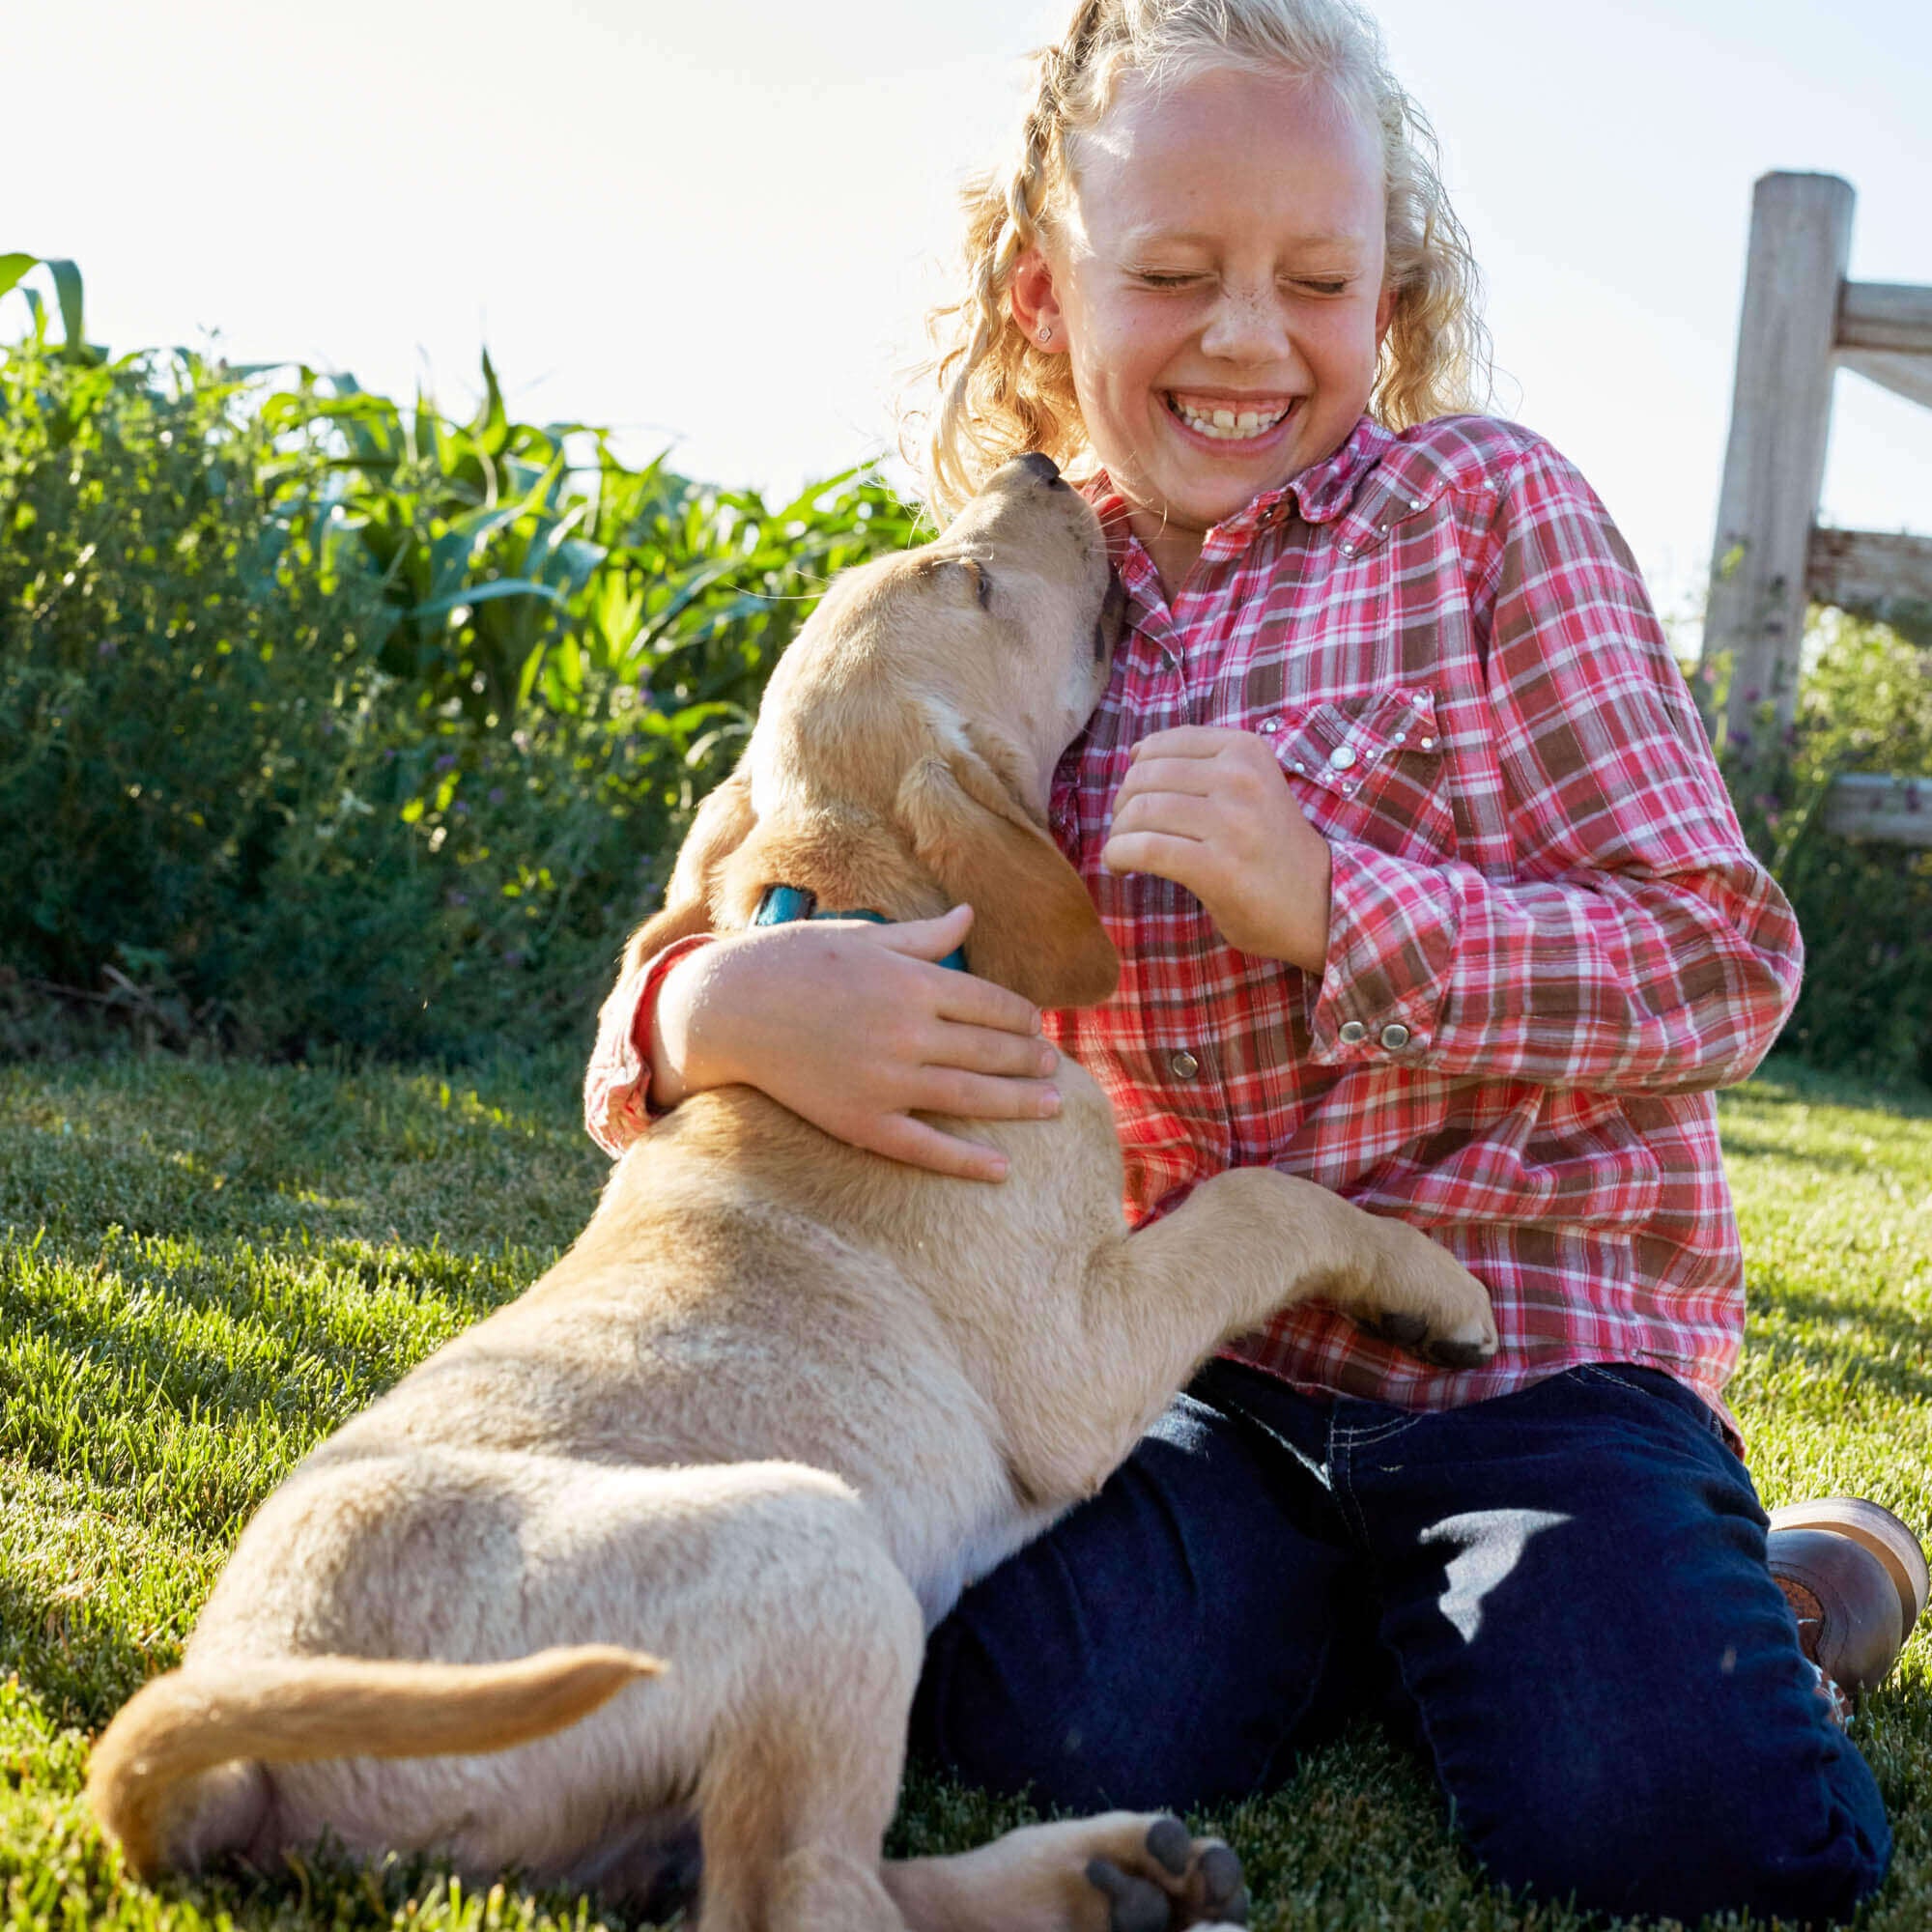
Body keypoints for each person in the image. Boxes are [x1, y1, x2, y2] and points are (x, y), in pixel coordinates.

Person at [582, 1, 1925, 1918]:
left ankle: (1796, 1583)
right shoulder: (1006, 600)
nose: (1241, 335)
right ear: (1042, 292)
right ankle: (1435, 1634)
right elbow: (752, 872)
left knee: (1671, 1821)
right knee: (1026, 1710)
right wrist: (700, 1007)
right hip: (1195, 1380)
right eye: (1172, 273)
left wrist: (1343, 908)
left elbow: (1716, 963)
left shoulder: (1483, 525)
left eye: (1312, 279)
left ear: (1389, 293)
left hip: (1531, 1374)